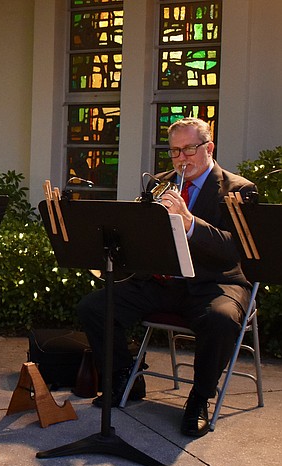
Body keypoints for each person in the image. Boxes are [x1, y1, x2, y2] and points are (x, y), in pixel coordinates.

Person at [77, 117, 254, 438]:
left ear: (209, 148)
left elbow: (235, 249)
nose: (181, 159)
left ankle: (200, 398)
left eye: (188, 149)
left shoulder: (237, 189)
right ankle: (125, 376)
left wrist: (188, 222)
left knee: (221, 319)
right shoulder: (160, 182)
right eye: (174, 152)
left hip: (214, 282)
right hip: (162, 281)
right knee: (94, 307)